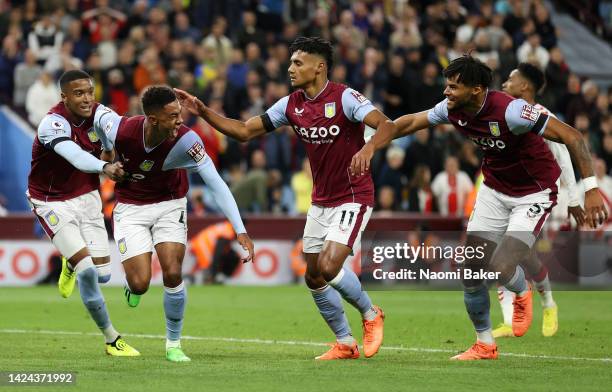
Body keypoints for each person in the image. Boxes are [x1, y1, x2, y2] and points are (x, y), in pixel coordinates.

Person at [354, 55, 607, 360]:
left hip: (534, 193)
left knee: (500, 265)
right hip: (493, 191)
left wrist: (590, 189)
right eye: (446, 86)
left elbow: (571, 136)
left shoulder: (512, 111)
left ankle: (521, 290)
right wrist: (372, 144)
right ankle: (485, 343)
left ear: (475, 90)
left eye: (454, 87)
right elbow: (409, 122)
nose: (446, 92)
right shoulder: (451, 109)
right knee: (470, 269)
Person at [174, 36, 395, 360]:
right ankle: (345, 342)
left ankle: (370, 313)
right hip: (321, 201)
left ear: (319, 67)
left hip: (352, 195)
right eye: (291, 62)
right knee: (313, 276)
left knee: (330, 266)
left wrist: (368, 146)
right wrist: (204, 111)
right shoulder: (291, 105)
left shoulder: (345, 97)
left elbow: (385, 125)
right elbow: (245, 131)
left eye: (298, 63)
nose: (290, 68)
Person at [93, 85, 254, 362]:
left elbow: (216, 183)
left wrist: (240, 228)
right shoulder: (120, 129)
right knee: (141, 282)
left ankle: (174, 343)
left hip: (170, 205)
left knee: (172, 271)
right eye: (173, 116)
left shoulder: (187, 142)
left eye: (180, 114)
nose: (180, 121)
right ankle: (133, 287)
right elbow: (97, 118)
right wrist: (107, 155)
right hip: (130, 209)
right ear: (153, 119)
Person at [26, 69, 139, 356]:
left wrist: (116, 145)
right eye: (78, 93)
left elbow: (118, 129)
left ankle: (71, 261)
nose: (86, 98)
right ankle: (112, 340)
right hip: (51, 201)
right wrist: (104, 167)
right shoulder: (52, 123)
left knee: (102, 275)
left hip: (88, 198)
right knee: (89, 271)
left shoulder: (100, 114)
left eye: (89, 91)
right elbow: (75, 157)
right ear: (64, 97)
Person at [494, 62, 586, 338]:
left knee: (515, 253)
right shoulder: (504, 116)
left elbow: (564, 158)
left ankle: (548, 303)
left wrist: (572, 197)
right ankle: (511, 321)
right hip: (506, 193)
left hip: (538, 196)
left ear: (525, 87)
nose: (503, 85)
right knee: (501, 255)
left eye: (510, 79)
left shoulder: (543, 116)